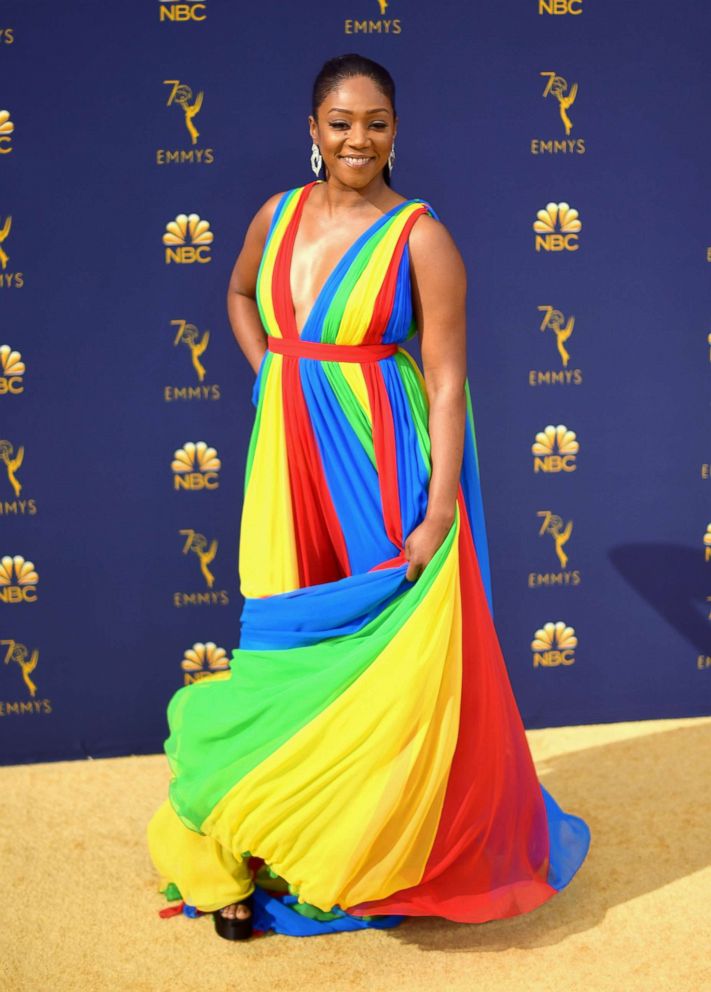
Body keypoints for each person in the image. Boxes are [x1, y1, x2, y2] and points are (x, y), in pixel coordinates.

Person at [146, 52, 591, 942]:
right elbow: (238, 296)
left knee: (374, 659)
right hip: (285, 460)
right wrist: (276, 377)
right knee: (282, 653)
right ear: (311, 130)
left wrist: (436, 512)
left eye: (377, 122)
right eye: (341, 121)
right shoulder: (273, 217)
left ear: (396, 130)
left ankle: (350, 855)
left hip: (380, 461)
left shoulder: (420, 236)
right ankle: (256, 836)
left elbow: (447, 379)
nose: (359, 138)